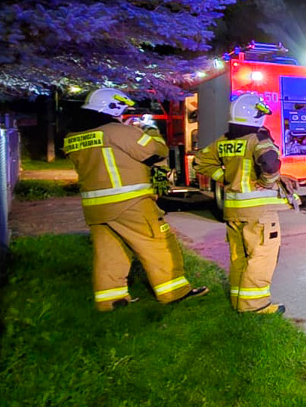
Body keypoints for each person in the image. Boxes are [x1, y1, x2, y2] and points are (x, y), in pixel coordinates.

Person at [63, 88, 208, 312]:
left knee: (110, 252)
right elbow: (156, 151)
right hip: (130, 204)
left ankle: (110, 300)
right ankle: (175, 292)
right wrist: (149, 130)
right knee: (159, 244)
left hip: (95, 207)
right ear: (113, 108)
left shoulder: (72, 138)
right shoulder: (117, 131)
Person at [193, 92, 293, 315]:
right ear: (256, 117)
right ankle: (255, 306)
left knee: (239, 257)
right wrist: (267, 182)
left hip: (233, 210)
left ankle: (239, 301)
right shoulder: (258, 140)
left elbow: (200, 162)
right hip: (258, 212)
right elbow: (269, 164)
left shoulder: (225, 140)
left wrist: (226, 177)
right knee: (261, 256)